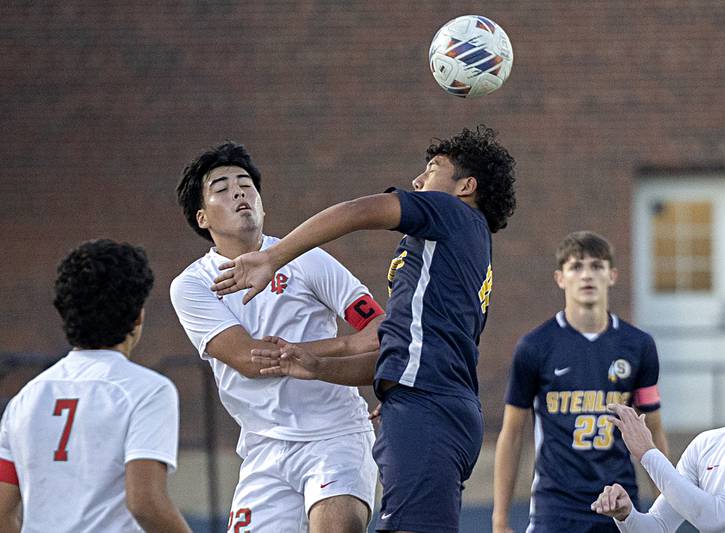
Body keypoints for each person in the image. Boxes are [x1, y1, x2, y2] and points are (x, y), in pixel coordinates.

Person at [210, 125, 517, 533]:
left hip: (427, 410)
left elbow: (357, 210)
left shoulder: (451, 213)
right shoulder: (456, 249)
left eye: (432, 169)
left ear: (466, 187)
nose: (418, 180)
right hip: (434, 405)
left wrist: (274, 256)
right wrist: (316, 365)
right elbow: (392, 354)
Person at [170, 141, 384, 533]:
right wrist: (345, 345)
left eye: (246, 184)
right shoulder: (192, 286)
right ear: (202, 218)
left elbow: (379, 330)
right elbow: (252, 361)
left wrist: (343, 351)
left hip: (334, 435)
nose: (238, 191)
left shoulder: (307, 258)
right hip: (263, 448)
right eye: (221, 187)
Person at [0, 239, 190, 533]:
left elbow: (2, 512)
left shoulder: (25, 399)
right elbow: (144, 503)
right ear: (138, 314)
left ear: (64, 312)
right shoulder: (149, 390)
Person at [492, 231, 669, 533]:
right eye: (576, 267)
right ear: (560, 278)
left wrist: (667, 510)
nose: (587, 275)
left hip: (619, 501)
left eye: (597, 266)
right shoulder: (534, 346)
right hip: (556, 506)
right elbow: (511, 433)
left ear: (612, 275)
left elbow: (652, 428)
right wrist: (499, 520)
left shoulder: (639, 345)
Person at [592, 315, 725, 532]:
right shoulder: (708, 443)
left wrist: (647, 452)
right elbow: (657, 527)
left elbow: (716, 516)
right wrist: (627, 515)